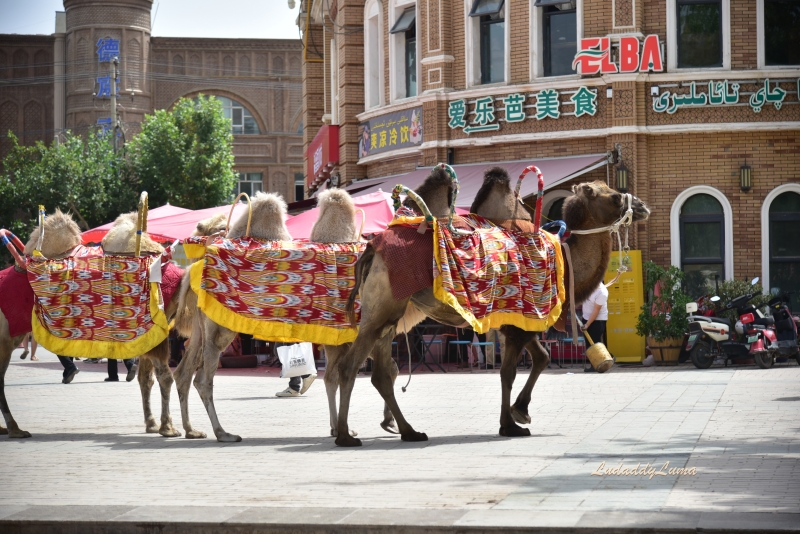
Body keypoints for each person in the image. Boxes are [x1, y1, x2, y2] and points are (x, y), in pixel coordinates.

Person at [581, 272, 622, 372]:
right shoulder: (590, 287)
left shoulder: (602, 292)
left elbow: (596, 310)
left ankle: (599, 363)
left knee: (595, 342)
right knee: (589, 344)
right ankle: (597, 363)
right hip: (586, 317)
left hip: (597, 320)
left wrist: (587, 324)